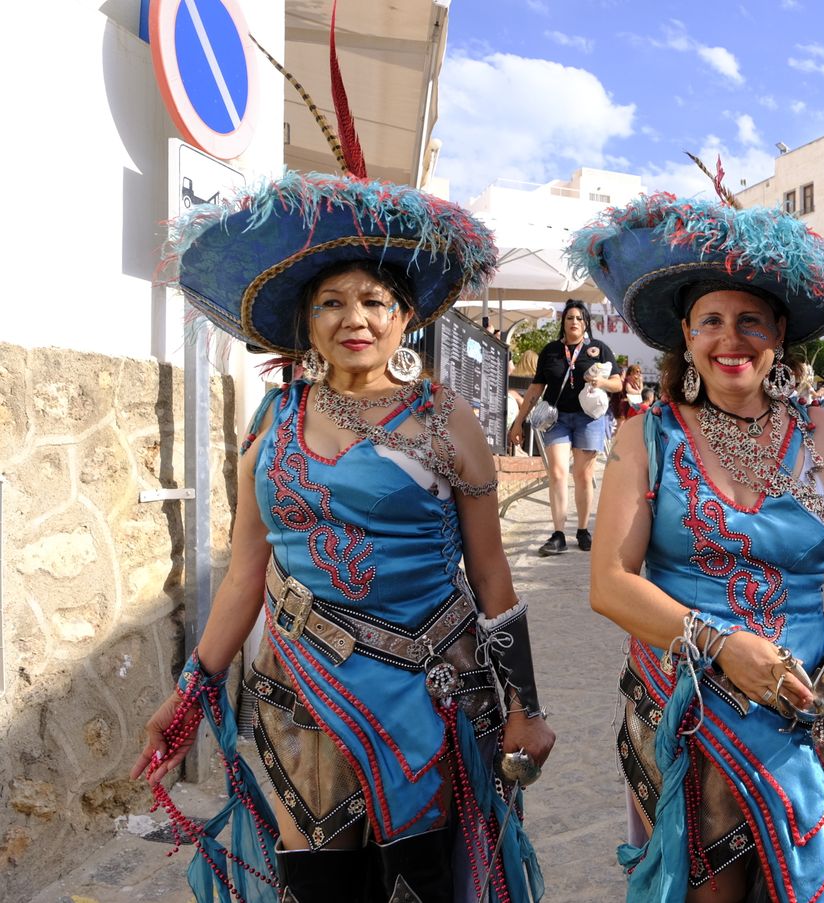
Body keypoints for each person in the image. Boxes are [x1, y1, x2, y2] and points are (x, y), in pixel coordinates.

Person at [135, 173, 553, 902]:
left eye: (372, 301)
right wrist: (190, 688)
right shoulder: (271, 424)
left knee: (418, 883)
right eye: (332, 302)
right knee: (320, 884)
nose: (353, 318)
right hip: (303, 695)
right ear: (306, 318)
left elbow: (492, 577)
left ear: (404, 316)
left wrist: (527, 705)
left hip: (430, 693)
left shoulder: (447, 420)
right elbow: (243, 576)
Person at [570, 191, 824, 902]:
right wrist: (721, 646)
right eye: (712, 321)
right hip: (686, 709)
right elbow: (609, 583)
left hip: (804, 709)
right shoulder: (647, 437)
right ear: (685, 337)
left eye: (750, 320)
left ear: (779, 333)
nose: (732, 338)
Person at [508, 300, 625, 556]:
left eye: (579, 318)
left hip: (588, 418)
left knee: (583, 475)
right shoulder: (550, 351)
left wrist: (601, 381)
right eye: (569, 317)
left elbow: (618, 383)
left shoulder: (598, 348)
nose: (574, 322)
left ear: (585, 324)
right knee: (559, 472)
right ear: (563, 322)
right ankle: (558, 533)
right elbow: (535, 389)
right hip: (557, 418)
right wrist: (518, 422)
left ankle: (582, 530)